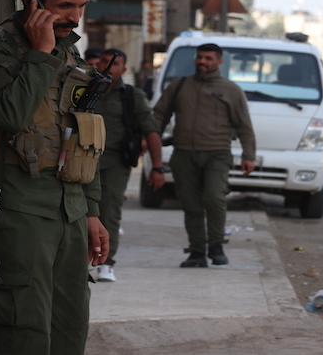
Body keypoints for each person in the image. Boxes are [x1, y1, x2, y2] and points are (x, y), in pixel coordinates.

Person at [0, 0, 109, 354]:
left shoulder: (70, 54)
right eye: (65, 6)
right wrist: (39, 55)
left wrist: (91, 211)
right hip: (19, 213)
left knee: (69, 329)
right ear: (32, 1)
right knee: (24, 332)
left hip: (70, 212)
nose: (75, 17)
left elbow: (83, 136)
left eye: (81, 6)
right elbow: (9, 114)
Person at [152, 43, 256, 268]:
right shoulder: (180, 86)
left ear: (219, 62)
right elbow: (159, 114)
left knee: (214, 197)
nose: (202, 62)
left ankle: (216, 245)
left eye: (208, 58)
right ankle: (197, 252)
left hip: (216, 154)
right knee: (191, 204)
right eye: (199, 57)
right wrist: (149, 138)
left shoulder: (231, 90)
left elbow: (244, 125)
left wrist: (249, 155)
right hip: (184, 154)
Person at [93, 48, 164, 282]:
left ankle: (106, 263)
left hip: (115, 161)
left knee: (109, 211)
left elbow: (151, 131)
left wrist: (157, 167)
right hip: (83, 160)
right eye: (104, 61)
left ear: (123, 70)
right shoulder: (84, 88)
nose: (107, 65)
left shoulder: (132, 96)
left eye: (114, 64)